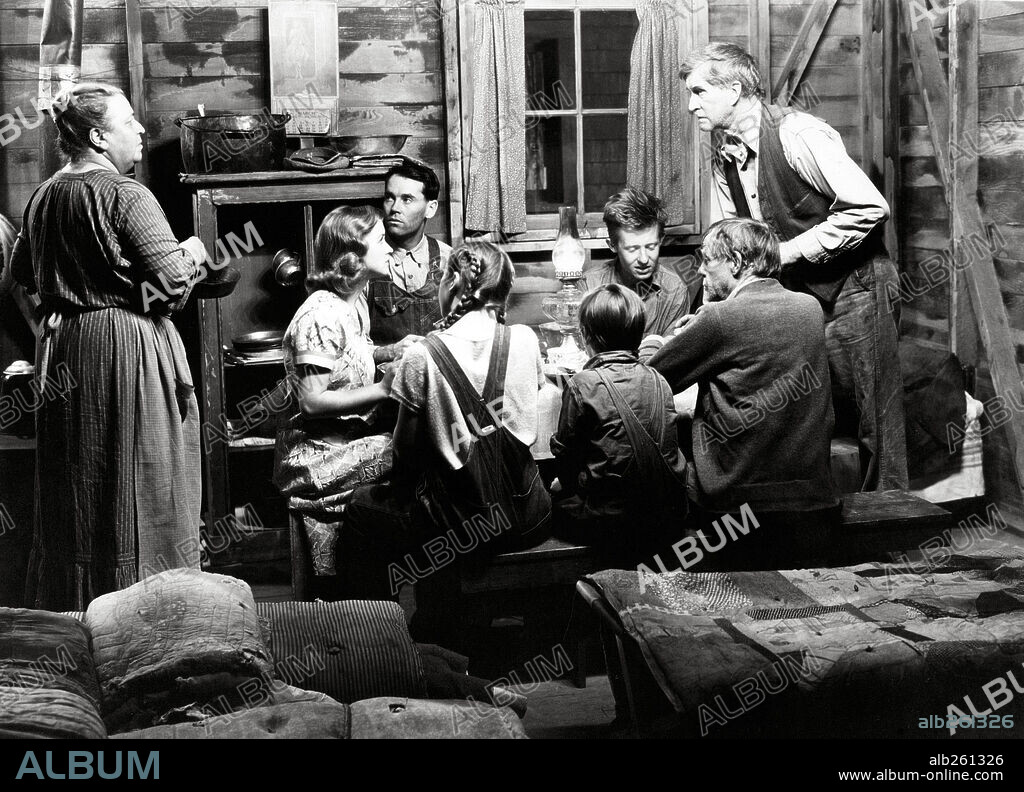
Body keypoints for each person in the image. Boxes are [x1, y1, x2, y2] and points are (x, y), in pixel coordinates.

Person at [8, 83, 210, 610]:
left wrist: (69, 297)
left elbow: (22, 274)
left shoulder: (45, 193)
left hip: (67, 350)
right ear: (98, 137)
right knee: (142, 478)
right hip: (127, 348)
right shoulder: (126, 194)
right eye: (129, 123)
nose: (142, 130)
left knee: (81, 485)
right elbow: (169, 288)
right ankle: (145, 619)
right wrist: (191, 253)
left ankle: (80, 622)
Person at [680, 42, 907, 492]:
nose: (691, 105)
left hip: (857, 285)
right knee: (807, 408)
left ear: (736, 89)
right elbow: (732, 241)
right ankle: (815, 519)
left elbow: (869, 207)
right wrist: (709, 309)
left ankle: (891, 524)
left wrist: (785, 253)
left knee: (876, 417)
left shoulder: (798, 134)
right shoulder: (722, 153)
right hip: (802, 299)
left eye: (700, 91)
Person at [341, 241, 551, 605]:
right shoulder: (525, 339)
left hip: (464, 527)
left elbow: (405, 453)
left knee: (362, 507)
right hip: (528, 516)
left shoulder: (421, 355)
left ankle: (380, 632)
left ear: (453, 282)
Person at [642, 219, 839, 570]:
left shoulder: (720, 318)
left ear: (735, 261)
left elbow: (649, 382)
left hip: (736, 509)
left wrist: (662, 342)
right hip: (813, 503)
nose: (699, 269)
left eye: (707, 260)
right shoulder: (810, 309)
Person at [273, 205, 396, 579]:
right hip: (316, 454)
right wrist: (384, 389)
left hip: (348, 443)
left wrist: (386, 352)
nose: (390, 248)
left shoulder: (355, 301)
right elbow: (312, 401)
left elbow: (349, 357)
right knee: (417, 449)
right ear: (353, 256)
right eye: (381, 241)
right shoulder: (320, 315)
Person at [550, 284, 688, 566]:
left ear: (586, 335)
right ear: (638, 334)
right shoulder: (658, 379)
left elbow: (565, 454)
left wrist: (563, 483)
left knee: (548, 500)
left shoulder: (583, 384)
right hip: (664, 515)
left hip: (608, 519)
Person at [366, 161, 453, 363]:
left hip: (437, 385)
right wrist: (388, 352)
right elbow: (349, 346)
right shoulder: (367, 262)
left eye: (407, 199)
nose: (394, 208)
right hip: (381, 388)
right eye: (389, 198)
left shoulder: (449, 261)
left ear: (430, 209)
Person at [582, 187, 695, 336]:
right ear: (613, 246)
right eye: (632, 249)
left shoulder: (675, 289)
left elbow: (671, 355)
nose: (644, 259)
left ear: (661, 240)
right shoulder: (590, 284)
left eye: (651, 246)